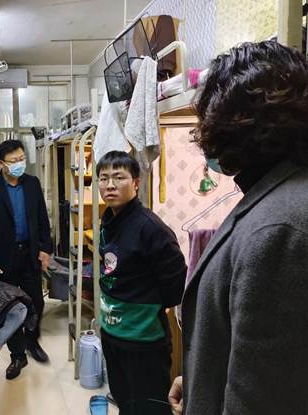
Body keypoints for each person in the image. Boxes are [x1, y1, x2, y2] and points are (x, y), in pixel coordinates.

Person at [168, 41, 308, 415]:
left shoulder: (279, 229)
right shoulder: (274, 196)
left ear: (233, 122)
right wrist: (200, 381)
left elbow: (263, 398)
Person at [96, 151, 186, 415]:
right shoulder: (108, 219)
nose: (110, 185)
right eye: (104, 178)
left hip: (143, 339)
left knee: (148, 407)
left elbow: (176, 280)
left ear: (136, 183)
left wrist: (152, 306)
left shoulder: (151, 228)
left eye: (118, 177)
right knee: (124, 398)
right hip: (112, 331)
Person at [0, 139, 52, 380]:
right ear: (1, 163)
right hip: (3, 258)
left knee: (36, 301)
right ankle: (17, 355)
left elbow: (42, 218)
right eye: (14, 160)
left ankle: (32, 342)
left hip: (30, 254)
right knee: (10, 307)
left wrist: (46, 248)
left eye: (22, 158)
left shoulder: (32, 183)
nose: (20, 163)